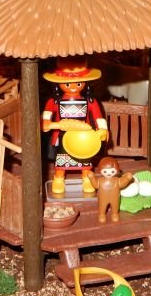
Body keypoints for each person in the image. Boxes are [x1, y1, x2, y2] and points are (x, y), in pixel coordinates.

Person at [42, 59, 109, 197]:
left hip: (84, 138)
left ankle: (87, 179)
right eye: (67, 84)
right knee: (61, 161)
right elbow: (46, 118)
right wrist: (49, 123)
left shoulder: (90, 101)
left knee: (85, 160)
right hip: (63, 137)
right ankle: (59, 179)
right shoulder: (53, 102)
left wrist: (103, 129)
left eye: (78, 83)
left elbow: (99, 118)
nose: (73, 87)